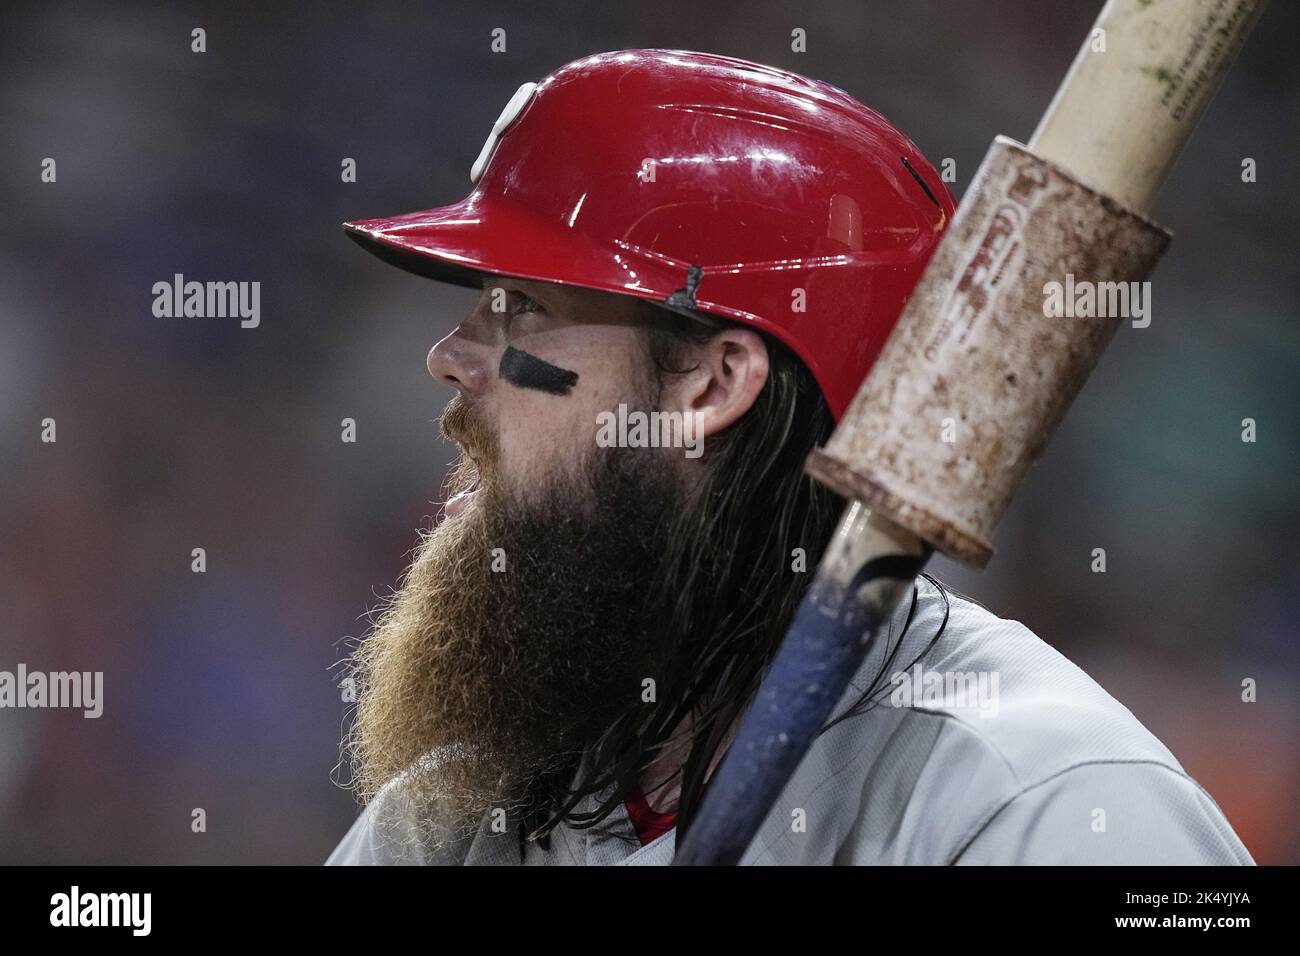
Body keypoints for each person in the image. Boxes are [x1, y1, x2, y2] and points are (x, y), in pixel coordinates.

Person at [326, 50, 1252, 865]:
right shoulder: (462, 819)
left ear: (712, 383)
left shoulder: (1045, 806)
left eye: (522, 308)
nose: (448, 357)